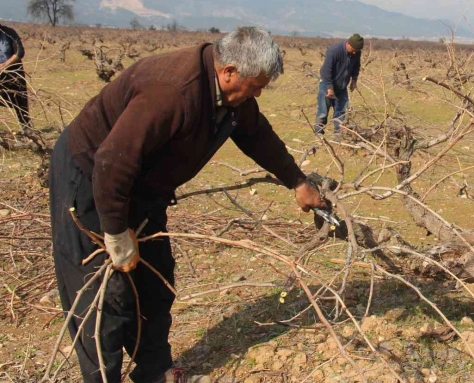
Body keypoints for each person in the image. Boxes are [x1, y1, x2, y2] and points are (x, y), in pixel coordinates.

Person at [49, 27, 324, 383]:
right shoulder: (171, 92)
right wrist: (116, 233)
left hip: (142, 186)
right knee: (103, 295)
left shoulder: (229, 96)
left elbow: (257, 135)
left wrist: (298, 182)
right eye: (255, 86)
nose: (257, 94)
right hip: (90, 176)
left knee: (156, 278)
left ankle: (153, 370)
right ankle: (103, 376)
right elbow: (111, 164)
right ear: (229, 72)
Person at [313, 33, 363, 141]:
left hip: (342, 86)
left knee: (341, 112)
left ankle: (339, 136)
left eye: (357, 51)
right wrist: (329, 88)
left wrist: (354, 80)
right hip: (327, 84)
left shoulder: (356, 52)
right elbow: (326, 71)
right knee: (323, 112)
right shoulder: (334, 51)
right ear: (348, 43)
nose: (355, 52)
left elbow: (356, 67)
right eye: (354, 49)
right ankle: (318, 135)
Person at [0, 23, 30, 130]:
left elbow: (20, 52)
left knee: (20, 102)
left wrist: (5, 65)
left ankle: (26, 129)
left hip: (13, 74)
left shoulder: (9, 33)